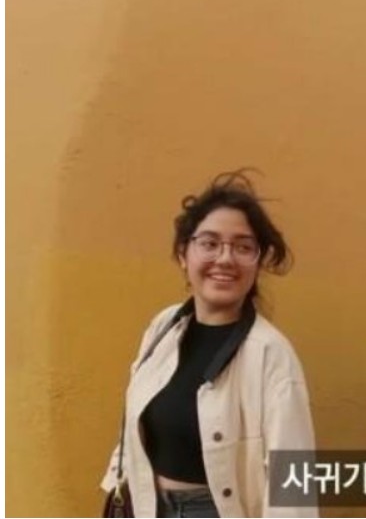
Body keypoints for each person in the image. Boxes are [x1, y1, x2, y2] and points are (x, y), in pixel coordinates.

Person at [100, 170, 317, 517]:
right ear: (183, 254)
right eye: (210, 243)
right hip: (145, 505)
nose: (225, 258)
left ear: (258, 263)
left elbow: (292, 485)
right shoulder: (164, 327)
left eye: (243, 247)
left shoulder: (270, 353)